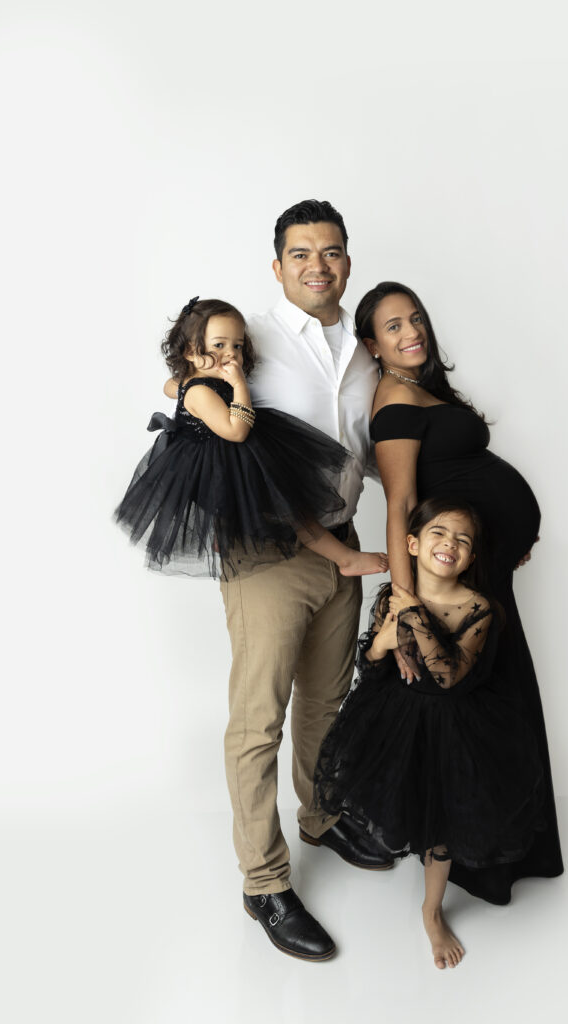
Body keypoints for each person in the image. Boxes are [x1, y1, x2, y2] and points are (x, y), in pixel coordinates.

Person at [221, 201, 394, 963]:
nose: (316, 266)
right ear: (277, 266)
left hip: (344, 547)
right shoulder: (248, 341)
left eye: (330, 253)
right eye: (300, 254)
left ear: (347, 263)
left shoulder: (363, 353)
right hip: (265, 552)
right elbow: (192, 405)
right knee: (260, 718)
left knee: (327, 701)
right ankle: (263, 883)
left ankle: (323, 818)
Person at [354, 281, 563, 906]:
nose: (410, 331)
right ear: (372, 344)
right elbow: (400, 506)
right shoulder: (393, 401)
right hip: (448, 587)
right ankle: (477, 862)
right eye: (392, 326)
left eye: (414, 318)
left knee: (502, 704)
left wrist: (502, 537)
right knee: (476, 713)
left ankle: (508, 847)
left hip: (481, 572)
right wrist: (404, 598)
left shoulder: (424, 390)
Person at [315, 499, 547, 968]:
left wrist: (414, 613)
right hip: (399, 720)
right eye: (440, 534)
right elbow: (371, 665)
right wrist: (382, 641)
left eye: (463, 541)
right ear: (413, 544)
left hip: (455, 726)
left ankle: (431, 909)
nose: (451, 545)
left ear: (472, 559)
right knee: (408, 800)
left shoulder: (478, 607)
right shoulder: (390, 597)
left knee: (442, 822)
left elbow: (447, 675)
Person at [115, 296, 387, 579]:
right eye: (219, 345)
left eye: (237, 346)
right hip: (221, 460)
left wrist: (182, 384)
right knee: (293, 511)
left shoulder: (195, 384)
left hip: (231, 454)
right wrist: (238, 383)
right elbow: (237, 430)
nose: (231, 354)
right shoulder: (201, 392)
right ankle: (344, 558)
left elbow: (170, 386)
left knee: (293, 501)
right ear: (190, 352)